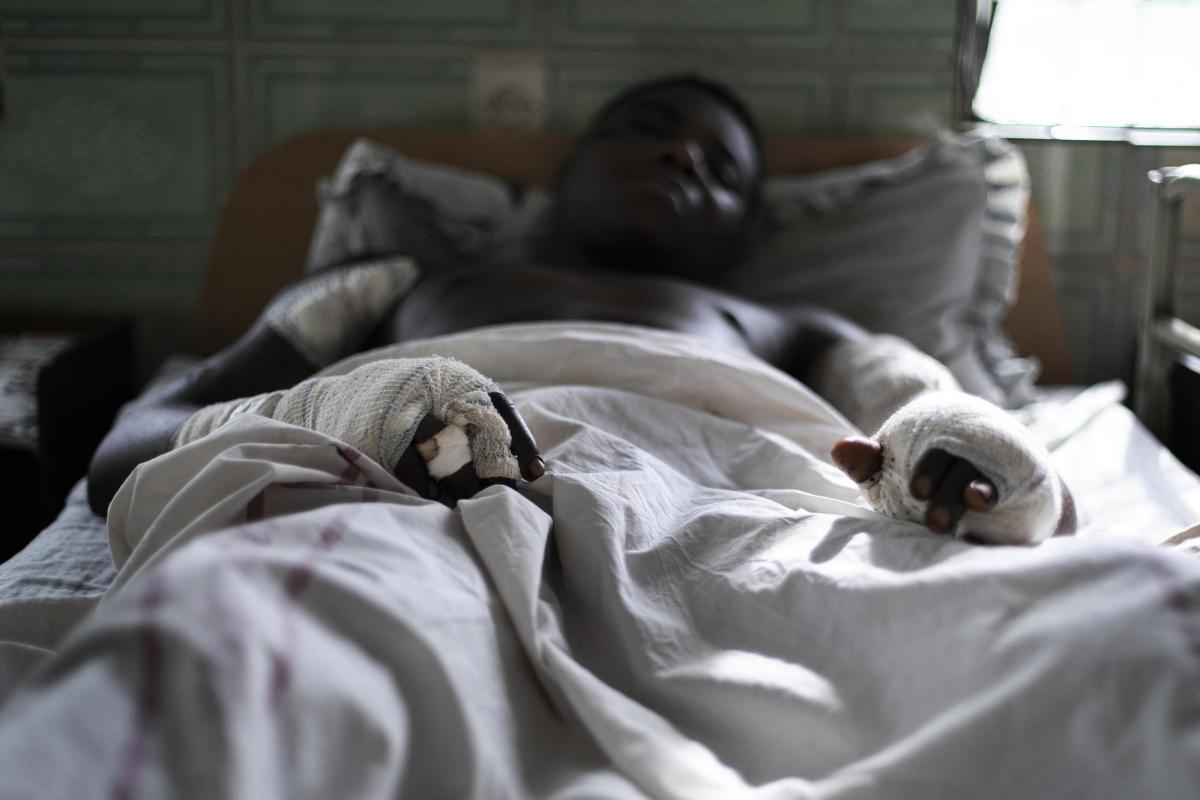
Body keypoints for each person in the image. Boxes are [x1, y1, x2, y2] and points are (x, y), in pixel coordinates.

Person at [87, 74, 1074, 543]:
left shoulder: (783, 325)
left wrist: (965, 462)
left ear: (737, 230)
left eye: (721, 168)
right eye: (649, 131)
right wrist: (364, 411)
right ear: (566, 172)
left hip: (718, 514)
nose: (682, 155)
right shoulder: (390, 281)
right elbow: (136, 450)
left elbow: (922, 403)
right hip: (403, 513)